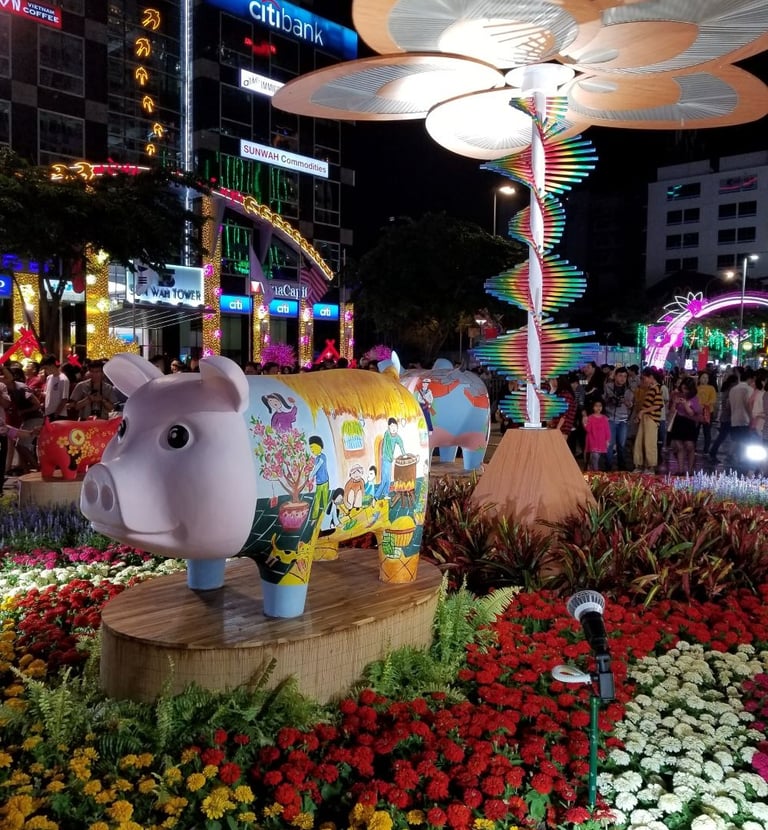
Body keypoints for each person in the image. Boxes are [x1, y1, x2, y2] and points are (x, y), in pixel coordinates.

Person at [668, 376, 702, 476]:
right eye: (683, 388)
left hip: (689, 423)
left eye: (686, 388)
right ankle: (680, 469)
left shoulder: (694, 398)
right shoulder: (676, 395)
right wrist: (675, 403)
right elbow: (671, 410)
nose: (684, 390)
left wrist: (686, 404)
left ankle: (690, 469)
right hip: (678, 421)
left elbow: (692, 413)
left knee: (689, 445)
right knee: (679, 446)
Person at [633, 367, 663, 474]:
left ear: (651, 377)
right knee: (640, 442)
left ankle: (650, 466)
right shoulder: (651, 388)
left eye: (644, 378)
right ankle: (640, 465)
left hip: (651, 419)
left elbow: (658, 405)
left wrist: (642, 412)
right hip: (646, 418)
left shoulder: (656, 388)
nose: (643, 380)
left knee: (649, 443)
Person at [603, 367, 634, 471]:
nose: (622, 378)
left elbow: (631, 404)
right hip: (610, 418)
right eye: (620, 375)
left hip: (623, 420)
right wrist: (611, 399)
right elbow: (604, 400)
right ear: (615, 376)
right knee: (609, 445)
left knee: (621, 445)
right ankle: (608, 467)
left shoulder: (629, 390)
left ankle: (622, 468)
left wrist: (627, 402)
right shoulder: (608, 387)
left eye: (625, 376)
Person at [709, 373, 738, 463]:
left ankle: (727, 454)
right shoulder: (731, 391)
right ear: (733, 383)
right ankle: (713, 453)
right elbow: (728, 405)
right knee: (723, 437)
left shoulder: (727, 390)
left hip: (726, 418)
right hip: (728, 418)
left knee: (725, 437)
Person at [582, 398, 610, 471]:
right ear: (593, 407)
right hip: (592, 441)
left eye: (600, 406)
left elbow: (607, 431)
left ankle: (593, 472)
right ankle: (596, 474)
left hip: (601, 442)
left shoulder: (604, 418)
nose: (598, 407)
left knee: (596, 459)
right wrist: (584, 422)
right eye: (596, 406)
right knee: (594, 457)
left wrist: (607, 440)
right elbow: (588, 429)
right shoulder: (590, 418)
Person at [40, 356, 71, 421]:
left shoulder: (63, 379)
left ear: (51, 365)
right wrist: (40, 393)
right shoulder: (49, 378)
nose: (45, 370)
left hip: (59, 415)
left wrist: (55, 415)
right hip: (48, 413)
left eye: (46, 368)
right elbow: (49, 394)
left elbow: (64, 399)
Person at [695, 371, 718, 455]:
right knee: (695, 431)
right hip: (697, 412)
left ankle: (706, 450)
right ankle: (694, 448)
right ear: (699, 378)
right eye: (703, 377)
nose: (705, 379)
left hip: (708, 412)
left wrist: (705, 405)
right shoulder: (696, 388)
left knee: (707, 431)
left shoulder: (711, 388)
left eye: (706, 378)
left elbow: (713, 399)